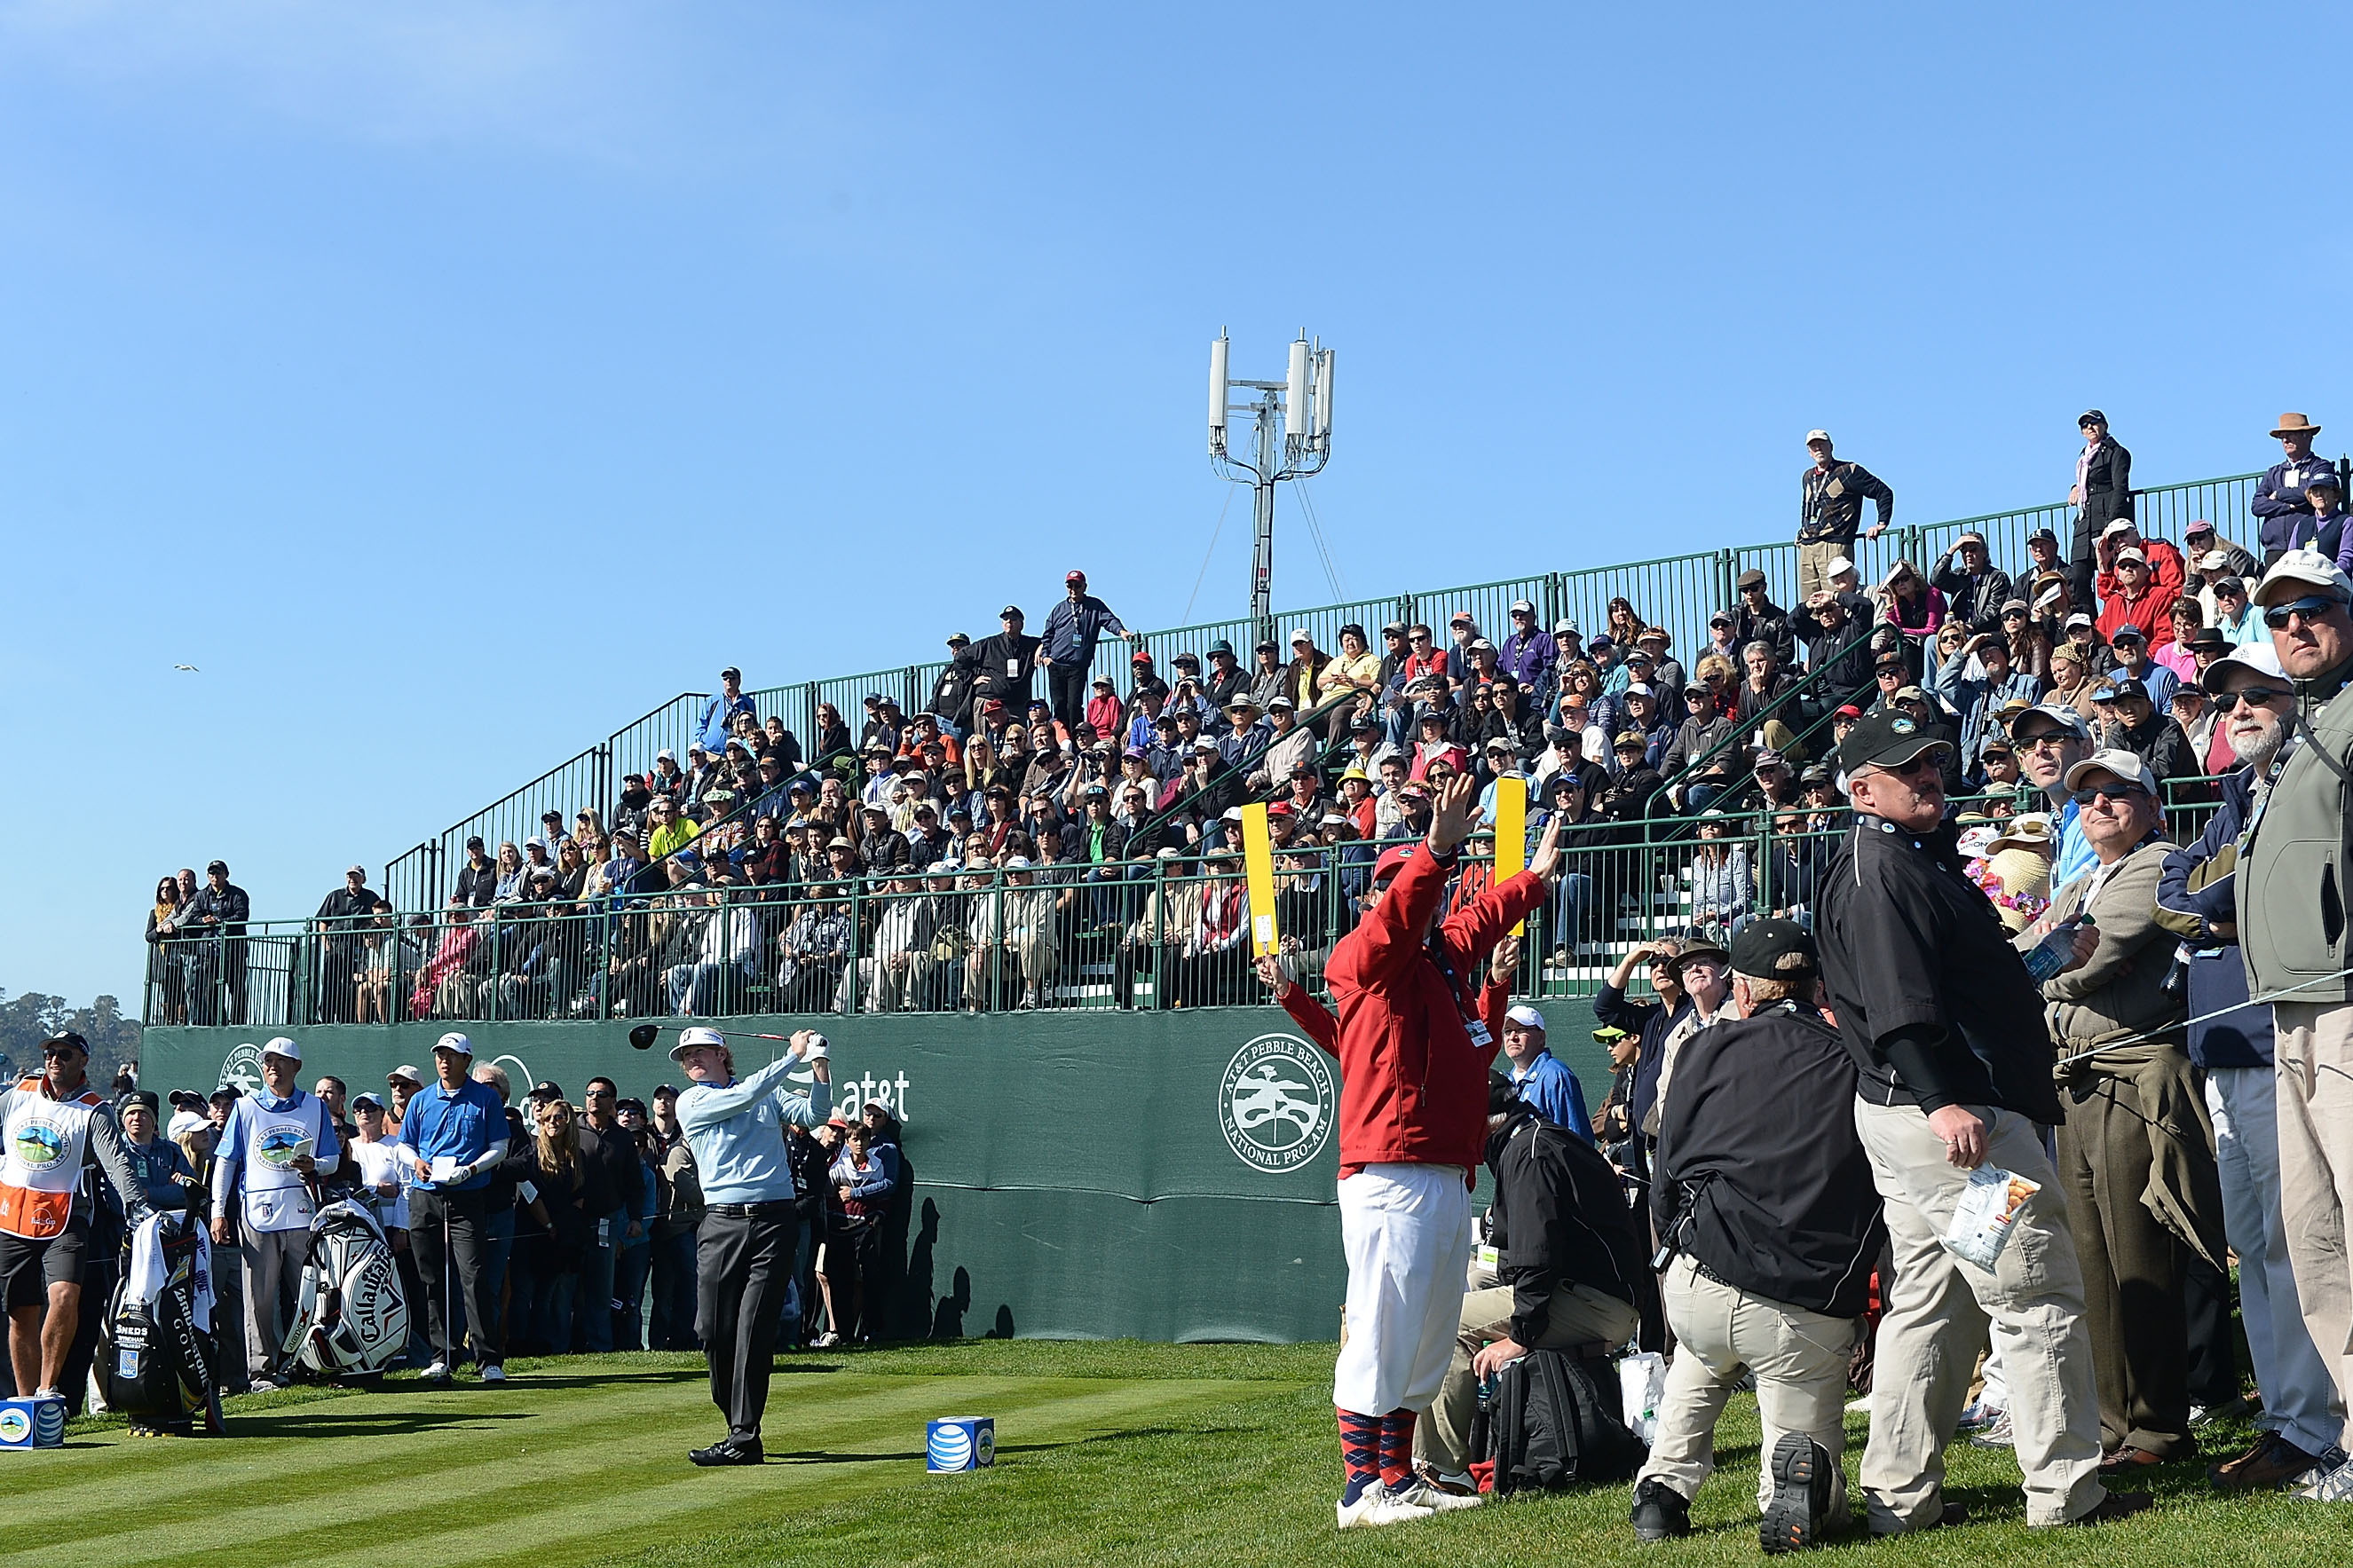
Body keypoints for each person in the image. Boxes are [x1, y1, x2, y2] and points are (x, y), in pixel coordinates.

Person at [1814, 708, 2144, 1531]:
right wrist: (1943, 1102)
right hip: (1958, 1129)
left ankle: (1898, 1496)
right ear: (1862, 789)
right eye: (1906, 769)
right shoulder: (1878, 869)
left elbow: (1964, 986)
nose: (1928, 775)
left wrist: (2042, 954)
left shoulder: (1903, 855)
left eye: (1930, 761)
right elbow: (1899, 1012)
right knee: (2033, 1298)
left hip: (1927, 1120)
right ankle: (2066, 1493)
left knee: (1934, 1301)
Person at [1280, 776, 1561, 1526]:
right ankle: (1358, 1488)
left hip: (1440, 1170)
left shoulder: (1434, 965)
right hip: (1390, 1170)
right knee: (1382, 1327)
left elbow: (1467, 928)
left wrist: (1528, 883)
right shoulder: (1362, 956)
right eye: (1394, 886)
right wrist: (1435, 852)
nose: (1416, 900)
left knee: (1429, 1333)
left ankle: (1398, 1476)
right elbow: (1403, 922)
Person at [2155, 639, 2343, 1490]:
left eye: (2256, 693)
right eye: (2226, 698)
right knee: (2259, 1241)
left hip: (2280, 1033)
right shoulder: (2238, 792)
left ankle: (2316, 1422)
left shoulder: (2301, 784)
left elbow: (2216, 896)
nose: (2237, 710)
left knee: (2299, 1240)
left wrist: (2208, 894)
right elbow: (2179, 889)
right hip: (2227, 1046)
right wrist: (2204, 891)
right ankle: (2288, 1416)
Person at [1633, 920, 1885, 1550]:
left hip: (1700, 1282)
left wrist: (1672, 1254)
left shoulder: (1698, 1049)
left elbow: (1665, 1167)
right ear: (1816, 986)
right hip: (1801, 1296)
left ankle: (1660, 1492)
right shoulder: (1852, 1058)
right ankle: (1797, 1490)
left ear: (1741, 991)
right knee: (1802, 1454)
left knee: (1699, 1360)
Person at [2037, 749, 2218, 1471]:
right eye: (2086, 797)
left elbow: (2088, 958)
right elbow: (2027, 952)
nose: (2099, 805)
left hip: (2129, 1073)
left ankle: (2157, 1427)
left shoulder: (2154, 863)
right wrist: (2041, 964)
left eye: (2116, 794)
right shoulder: (2080, 879)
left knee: (2138, 1253)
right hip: (2071, 1080)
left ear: (2150, 806)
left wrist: (2040, 974)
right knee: (2088, 1260)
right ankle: (2110, 1423)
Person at [2237, 548, 2353, 1501]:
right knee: (2311, 1235)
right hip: (2288, 1012)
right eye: (2278, 619)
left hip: (2344, 1007)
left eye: (2311, 610)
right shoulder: (2297, 726)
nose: (2295, 628)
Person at [1408, 1070, 1651, 1500]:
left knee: (1444, 1320)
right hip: (1590, 1290)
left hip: (1599, 1303)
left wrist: (1521, 1337)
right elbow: (1521, 1249)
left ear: (1483, 1120)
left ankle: (1443, 1471)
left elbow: (1537, 1258)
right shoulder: (1528, 1140)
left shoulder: (1529, 1153)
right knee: (1468, 1277)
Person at [671, 1024, 833, 1464]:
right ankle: (734, 1421)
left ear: (723, 1054)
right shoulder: (693, 1101)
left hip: (775, 1222)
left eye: (700, 1052)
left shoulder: (763, 1091)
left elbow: (816, 1116)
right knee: (713, 1331)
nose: (691, 1061)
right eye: (686, 1056)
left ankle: (745, 1437)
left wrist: (819, 1066)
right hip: (722, 1224)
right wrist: (791, 1058)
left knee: (754, 1330)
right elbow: (741, 1098)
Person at [1, 1033, 153, 1402]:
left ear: (82, 1061)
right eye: (50, 1054)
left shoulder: (93, 1109)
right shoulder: (18, 1094)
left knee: (65, 1296)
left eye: (64, 1054)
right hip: (13, 1217)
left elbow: (115, 1160)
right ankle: (26, 1405)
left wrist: (135, 1203)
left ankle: (47, 1390)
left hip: (67, 1217)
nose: (55, 1060)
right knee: (22, 1313)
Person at [209, 1036, 343, 1391]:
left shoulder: (314, 1108)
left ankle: (311, 1363)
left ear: (296, 1067)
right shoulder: (247, 1106)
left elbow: (333, 1159)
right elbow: (226, 1161)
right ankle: (262, 1371)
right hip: (257, 1213)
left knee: (310, 1294)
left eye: (281, 1061)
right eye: (268, 1060)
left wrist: (313, 1163)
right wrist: (218, 1211)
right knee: (259, 1299)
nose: (272, 1066)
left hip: (302, 1213)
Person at [397, 1032, 512, 1383]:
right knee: (431, 1276)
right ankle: (441, 1355)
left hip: (468, 1193)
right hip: (425, 1193)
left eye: (452, 1055)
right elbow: (404, 1145)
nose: (444, 1060)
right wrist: (415, 1162)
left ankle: (488, 1360)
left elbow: (500, 1146)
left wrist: (473, 1168)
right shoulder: (421, 1101)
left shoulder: (484, 1100)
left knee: (473, 1275)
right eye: (440, 1054)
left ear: (466, 1060)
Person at [1797, 430, 1894, 604]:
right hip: (1807, 547)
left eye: (1821, 444)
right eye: (1813, 446)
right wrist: (1801, 532)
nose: (1818, 448)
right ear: (1809, 452)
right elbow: (1807, 506)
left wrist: (1881, 524)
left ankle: (1845, 632)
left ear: (1831, 447)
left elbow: (1883, 492)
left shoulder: (1849, 471)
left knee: (1837, 599)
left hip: (1835, 544)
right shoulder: (1807, 476)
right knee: (1810, 604)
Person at [1038, 571, 1138, 731]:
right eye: (1070, 585)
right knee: (1059, 705)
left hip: (1077, 666)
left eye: (1077, 585)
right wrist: (1045, 656)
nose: (1073, 589)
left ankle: (1076, 738)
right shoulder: (1059, 609)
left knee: (1074, 705)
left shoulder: (1094, 606)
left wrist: (1121, 632)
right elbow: (1047, 634)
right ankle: (1061, 739)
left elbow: (1109, 620)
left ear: (1085, 587)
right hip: (1056, 664)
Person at [1497, 1002, 1592, 1144]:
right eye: (1507, 1031)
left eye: (1521, 1029)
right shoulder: (1507, 1082)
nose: (1512, 1037)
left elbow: (1576, 1138)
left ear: (1541, 1037)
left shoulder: (1555, 1076)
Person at [2068, 412, 2133, 610]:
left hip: (2106, 521)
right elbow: (2088, 483)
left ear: (2104, 425)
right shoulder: (2084, 458)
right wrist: (2076, 487)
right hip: (2085, 523)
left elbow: (2120, 488)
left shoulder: (2116, 452)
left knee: (2113, 574)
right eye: (2084, 425)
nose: (2089, 428)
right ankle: (2090, 622)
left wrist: (2111, 525)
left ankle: (2116, 616)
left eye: (2093, 423)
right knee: (2078, 576)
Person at [2254, 413, 2338, 563]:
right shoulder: (2273, 472)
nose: (2285, 440)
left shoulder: (2320, 466)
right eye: (2282, 437)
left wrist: (2279, 494)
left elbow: (2308, 492)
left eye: (2290, 435)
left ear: (2307, 436)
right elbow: (2257, 506)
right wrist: (2289, 507)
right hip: (2275, 549)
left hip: (2308, 544)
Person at [698, 666, 755, 755]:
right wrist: (706, 741)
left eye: (732, 678)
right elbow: (701, 725)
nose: (728, 681)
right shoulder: (712, 701)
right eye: (725, 679)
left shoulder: (748, 702)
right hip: (712, 753)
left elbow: (753, 726)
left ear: (739, 681)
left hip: (737, 752)